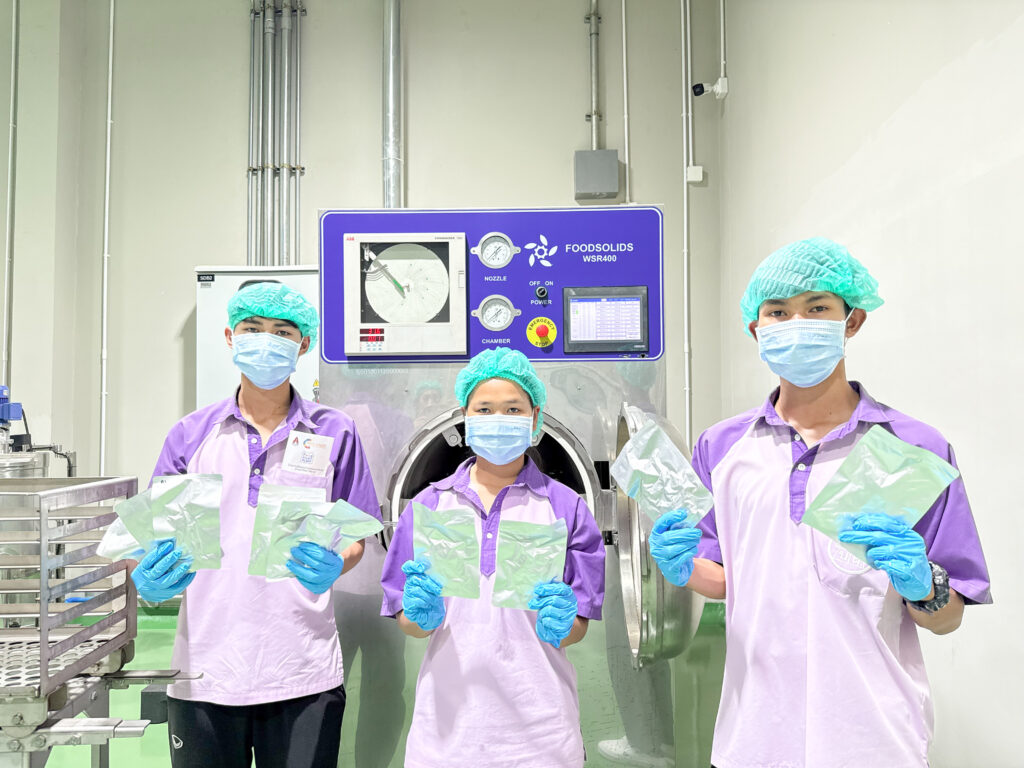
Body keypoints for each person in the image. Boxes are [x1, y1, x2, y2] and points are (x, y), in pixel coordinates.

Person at [649, 238, 992, 768]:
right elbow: (727, 577)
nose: (796, 323)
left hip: (875, 739)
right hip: (753, 736)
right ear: (756, 329)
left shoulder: (912, 449)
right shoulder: (721, 447)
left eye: (817, 308)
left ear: (852, 321)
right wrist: (683, 568)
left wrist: (924, 584)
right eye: (778, 312)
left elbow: (946, 620)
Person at [132, 280, 380, 768]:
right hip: (205, 671)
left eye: (282, 331)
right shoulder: (190, 434)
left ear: (303, 345)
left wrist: (337, 563)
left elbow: (355, 536)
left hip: (302, 669)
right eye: (252, 328)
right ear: (230, 338)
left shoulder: (335, 431)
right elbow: (157, 536)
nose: (266, 339)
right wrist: (149, 577)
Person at [380, 347, 606, 768]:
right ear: (465, 417)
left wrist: (564, 622)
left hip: (541, 733)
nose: (498, 419)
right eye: (484, 409)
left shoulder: (566, 507)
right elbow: (409, 623)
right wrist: (420, 615)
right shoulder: (429, 506)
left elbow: (576, 628)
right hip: (446, 735)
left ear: (535, 419)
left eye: (513, 409)